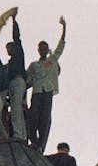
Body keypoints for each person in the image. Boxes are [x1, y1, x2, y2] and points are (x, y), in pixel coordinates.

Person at [26, 16, 67, 152]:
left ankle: (41, 145)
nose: (43, 50)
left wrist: (64, 27)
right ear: (38, 50)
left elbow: (60, 48)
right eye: (41, 49)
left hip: (47, 91)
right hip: (37, 92)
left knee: (45, 119)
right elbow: (27, 80)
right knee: (33, 117)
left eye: (45, 49)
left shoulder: (50, 62)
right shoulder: (34, 65)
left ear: (47, 49)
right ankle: (34, 141)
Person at [3, 9, 27, 141]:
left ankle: (18, 134)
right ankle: (21, 134)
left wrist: (13, 21)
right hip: (15, 82)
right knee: (17, 109)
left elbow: (16, 38)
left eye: (9, 48)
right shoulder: (11, 62)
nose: (8, 50)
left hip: (17, 81)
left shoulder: (18, 55)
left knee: (16, 109)